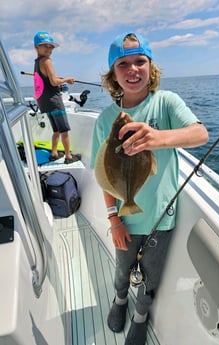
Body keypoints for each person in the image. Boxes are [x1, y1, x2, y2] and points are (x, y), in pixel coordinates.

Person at [90, 32, 209, 345]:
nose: (133, 69)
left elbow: (200, 134)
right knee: (122, 270)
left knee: (151, 276)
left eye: (140, 61)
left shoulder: (167, 103)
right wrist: (113, 217)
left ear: (150, 66)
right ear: (113, 74)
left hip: (161, 217)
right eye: (123, 63)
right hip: (125, 219)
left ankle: (141, 315)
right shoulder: (105, 119)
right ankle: (119, 300)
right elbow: (103, 173)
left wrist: (157, 138)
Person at [33, 31, 81, 164]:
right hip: (55, 101)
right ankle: (68, 157)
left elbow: (49, 79)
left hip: (45, 102)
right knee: (64, 130)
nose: (49, 49)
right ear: (36, 47)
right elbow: (54, 82)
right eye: (45, 46)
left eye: (51, 47)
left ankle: (54, 153)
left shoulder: (38, 61)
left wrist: (57, 78)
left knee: (56, 130)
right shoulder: (47, 61)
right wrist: (67, 79)